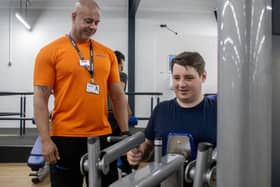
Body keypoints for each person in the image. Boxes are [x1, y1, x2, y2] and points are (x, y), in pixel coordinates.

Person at [33, 1, 129, 187]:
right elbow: (40, 99)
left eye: (97, 22)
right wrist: (45, 140)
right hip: (65, 138)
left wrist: (124, 132)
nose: (93, 27)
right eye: (88, 21)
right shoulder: (49, 52)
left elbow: (118, 96)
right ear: (73, 17)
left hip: (102, 135)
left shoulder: (107, 54)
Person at [126, 51, 217, 185]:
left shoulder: (218, 112)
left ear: (203, 77)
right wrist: (138, 153)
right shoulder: (161, 110)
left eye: (189, 78)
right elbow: (148, 147)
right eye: (176, 78)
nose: (181, 84)